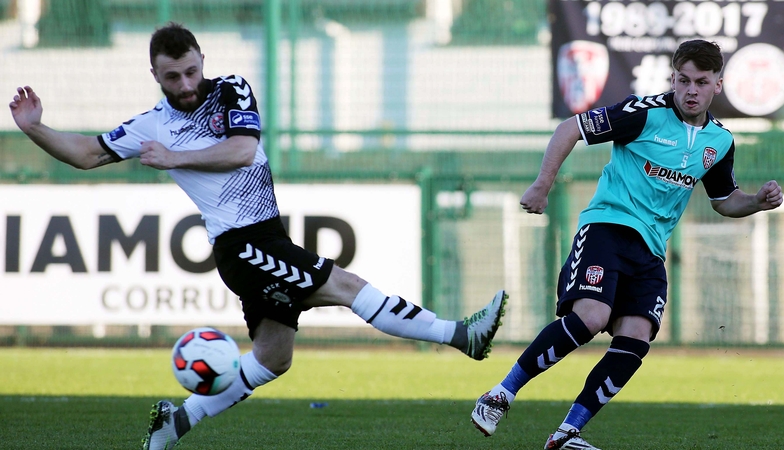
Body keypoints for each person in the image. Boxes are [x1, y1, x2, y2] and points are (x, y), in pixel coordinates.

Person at [8, 22, 508, 450]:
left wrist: (174, 158)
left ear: (202, 59)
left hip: (264, 236)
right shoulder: (151, 125)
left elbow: (243, 150)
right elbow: (87, 152)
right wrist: (36, 129)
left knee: (273, 357)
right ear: (155, 75)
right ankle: (462, 336)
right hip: (242, 246)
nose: (184, 83)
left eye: (190, 70)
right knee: (347, 286)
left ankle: (177, 422)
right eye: (172, 76)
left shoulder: (231, 90)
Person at [469, 39, 783, 450]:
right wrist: (542, 185)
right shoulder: (644, 114)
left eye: (701, 82)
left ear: (718, 85)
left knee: (636, 337)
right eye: (683, 80)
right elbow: (570, 129)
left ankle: (567, 434)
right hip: (607, 228)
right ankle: (499, 395)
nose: (690, 90)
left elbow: (724, 201)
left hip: (651, 250)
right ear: (672, 78)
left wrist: (757, 202)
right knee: (592, 317)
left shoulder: (720, 142)